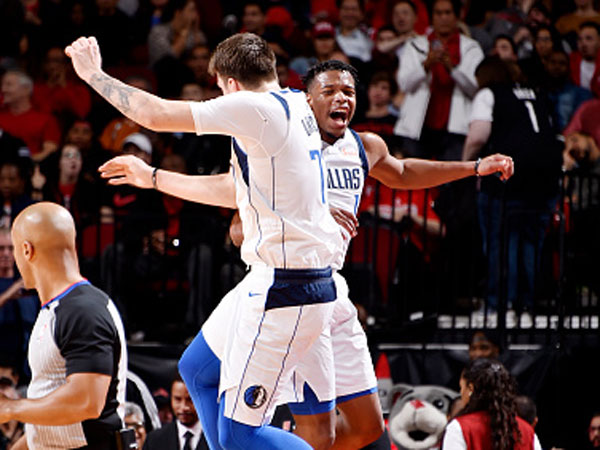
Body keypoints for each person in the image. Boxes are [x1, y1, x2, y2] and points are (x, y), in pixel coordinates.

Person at [98, 59, 513, 450]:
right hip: (286, 282)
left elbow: (404, 173)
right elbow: (236, 212)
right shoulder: (284, 142)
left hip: (329, 288)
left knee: (364, 427)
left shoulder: (362, 145)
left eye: (348, 91)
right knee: (215, 388)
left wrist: (473, 167)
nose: (341, 98)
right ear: (306, 99)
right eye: (329, 90)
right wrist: (307, 210)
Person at [69, 33, 342, 450]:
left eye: (218, 87)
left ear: (230, 83)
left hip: (288, 288)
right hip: (271, 275)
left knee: (239, 434)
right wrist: (154, 177)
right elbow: (235, 188)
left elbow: (155, 114)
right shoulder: (291, 102)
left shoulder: (255, 108)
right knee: (197, 369)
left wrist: (92, 74)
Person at [0, 202, 128, 449]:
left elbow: (86, 402)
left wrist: (9, 408)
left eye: (15, 249)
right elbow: (55, 415)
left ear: (27, 250)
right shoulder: (58, 308)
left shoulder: (83, 310)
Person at [463, 56, 563, 323]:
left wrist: (466, 167)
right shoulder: (537, 93)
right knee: (531, 243)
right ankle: (527, 307)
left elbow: (478, 137)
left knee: (500, 242)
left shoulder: (489, 94)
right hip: (545, 178)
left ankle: (500, 306)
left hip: (507, 177)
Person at [394, 0, 484, 161]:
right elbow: (404, 84)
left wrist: (453, 69)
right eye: (438, 13)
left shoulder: (472, 48)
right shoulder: (414, 45)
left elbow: (476, 89)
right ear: (432, 17)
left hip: (456, 129)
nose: (443, 18)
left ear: (457, 16)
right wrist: (426, 65)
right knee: (415, 182)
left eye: (448, 13)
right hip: (417, 128)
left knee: (451, 183)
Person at [442, 359, 541, 450]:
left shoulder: (458, 428)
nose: (461, 392)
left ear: (471, 389)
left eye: (461, 387)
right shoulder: (527, 431)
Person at [143, 373, 208, 450]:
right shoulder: (154, 440)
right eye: (177, 399)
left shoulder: (217, 438)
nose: (184, 407)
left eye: (190, 400)